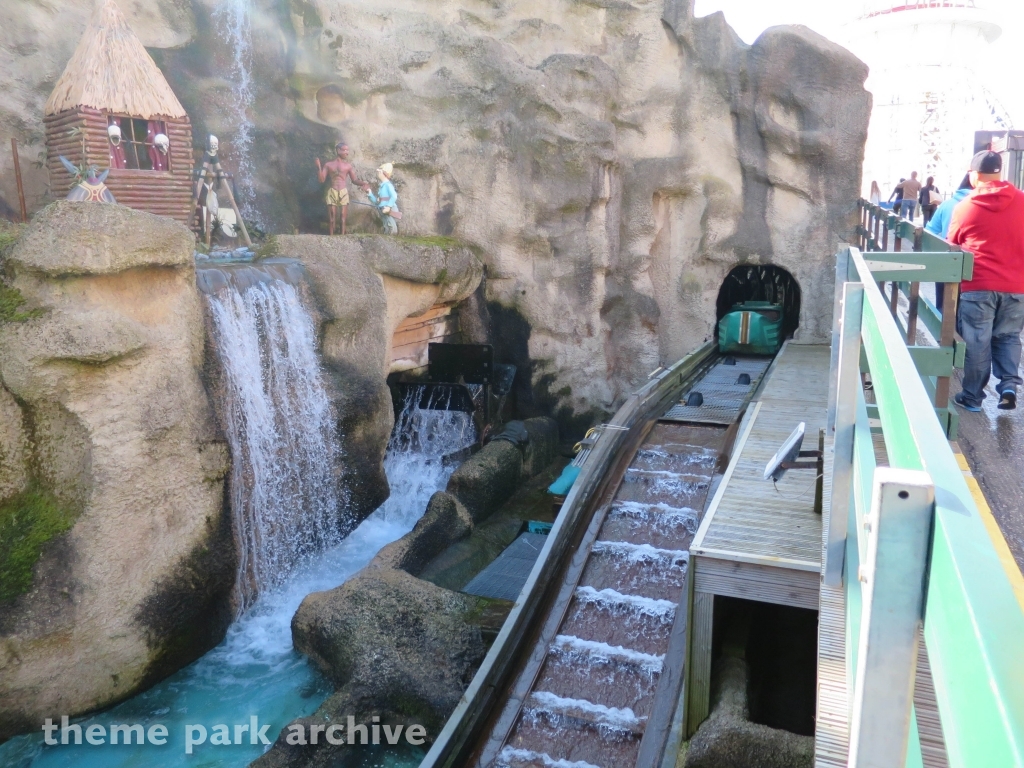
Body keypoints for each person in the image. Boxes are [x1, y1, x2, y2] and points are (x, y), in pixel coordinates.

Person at [948, 150, 1024, 412]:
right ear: (999, 172)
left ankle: (972, 397)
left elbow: (953, 245)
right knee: (1008, 336)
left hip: (977, 285)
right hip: (1016, 286)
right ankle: (1008, 386)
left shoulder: (965, 207)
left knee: (978, 343)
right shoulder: (1023, 201)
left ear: (973, 175)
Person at [925, 173, 973, 311]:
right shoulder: (986, 206)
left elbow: (930, 231)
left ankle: (942, 329)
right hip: (974, 267)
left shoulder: (947, 204)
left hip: (948, 262)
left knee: (944, 308)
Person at [316, 143, 367, 235]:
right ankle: (331, 236)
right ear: (338, 150)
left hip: (343, 191)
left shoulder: (348, 166)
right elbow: (321, 180)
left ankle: (342, 236)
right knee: (332, 218)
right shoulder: (328, 165)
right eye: (344, 150)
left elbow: (354, 180)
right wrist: (319, 166)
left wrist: (364, 183)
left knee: (343, 217)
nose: (347, 152)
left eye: (347, 150)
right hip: (333, 191)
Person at [367, 162, 399, 235]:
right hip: (382, 208)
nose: (378, 173)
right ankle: (387, 236)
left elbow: (394, 196)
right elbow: (378, 202)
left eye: (380, 171)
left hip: (387, 208)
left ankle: (392, 236)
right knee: (386, 224)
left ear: (384, 173)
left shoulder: (388, 185)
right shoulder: (382, 186)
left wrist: (388, 207)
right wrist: (370, 195)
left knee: (390, 224)